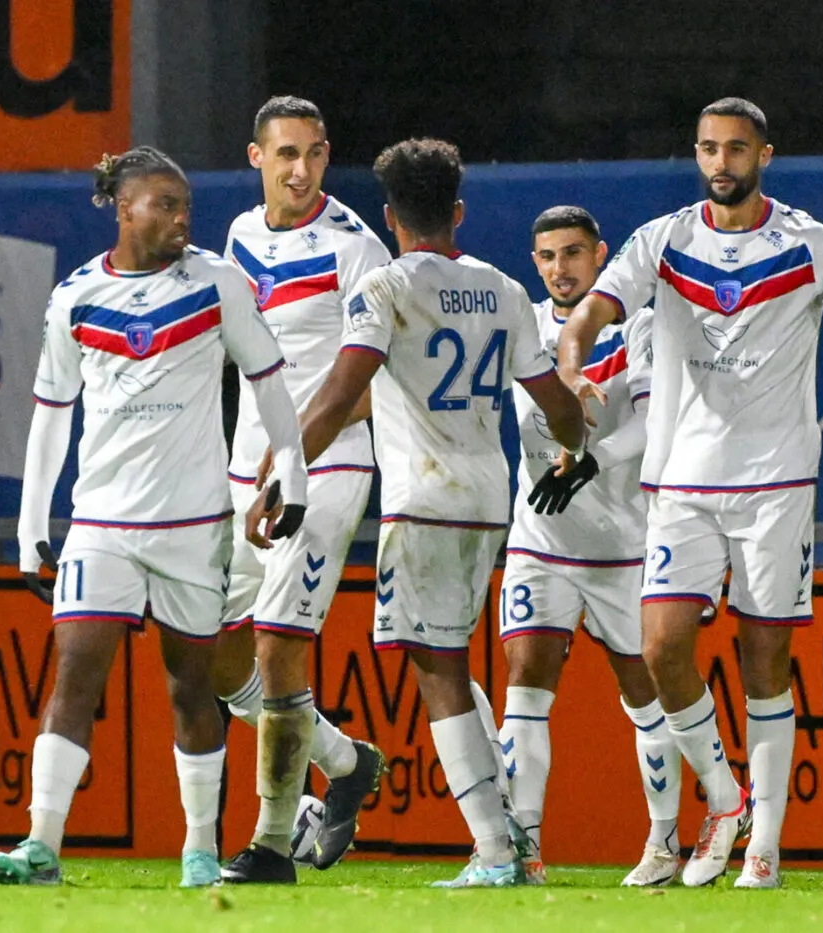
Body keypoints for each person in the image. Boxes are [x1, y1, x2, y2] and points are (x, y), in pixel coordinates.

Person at [557, 97, 823, 888]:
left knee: (765, 657)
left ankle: (765, 846)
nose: (721, 162)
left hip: (774, 481)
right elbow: (594, 309)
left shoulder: (808, 243)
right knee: (660, 647)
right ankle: (724, 797)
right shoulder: (665, 240)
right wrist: (575, 355)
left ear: (765, 155)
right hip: (680, 480)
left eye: (736, 149)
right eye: (709, 149)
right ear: (696, 155)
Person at [252, 138, 587, 888]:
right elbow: (558, 404)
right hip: (488, 496)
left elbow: (341, 395)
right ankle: (506, 831)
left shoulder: (385, 287)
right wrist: (574, 449)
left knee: (437, 669)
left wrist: (285, 469)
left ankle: (499, 854)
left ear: (390, 217)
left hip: (424, 496)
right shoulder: (503, 287)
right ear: (457, 211)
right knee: (446, 656)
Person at [0, 146, 307, 889]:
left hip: (194, 526)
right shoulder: (75, 295)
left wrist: (289, 466)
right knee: (73, 676)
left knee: (191, 689)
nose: (179, 217)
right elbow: (50, 413)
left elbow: (267, 376)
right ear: (123, 208)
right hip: (101, 523)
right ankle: (40, 844)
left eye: (184, 204)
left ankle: (199, 850)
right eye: (162, 204)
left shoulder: (218, 283)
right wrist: (34, 522)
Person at [213, 95, 390, 884]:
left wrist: (296, 459)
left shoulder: (357, 248)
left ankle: (272, 842)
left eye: (314, 153)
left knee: (280, 642)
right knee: (213, 653)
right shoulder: (241, 236)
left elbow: (376, 380)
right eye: (285, 154)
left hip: (329, 467)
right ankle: (346, 761)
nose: (300, 169)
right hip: (240, 466)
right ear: (257, 158)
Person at [490, 205, 680, 887]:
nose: (560, 268)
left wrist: (594, 457)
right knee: (525, 684)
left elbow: (655, 426)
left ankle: (663, 844)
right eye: (546, 256)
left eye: (573, 253)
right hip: (541, 540)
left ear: (601, 256)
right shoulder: (522, 325)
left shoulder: (643, 325)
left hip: (625, 546)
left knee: (646, 692)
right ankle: (525, 849)